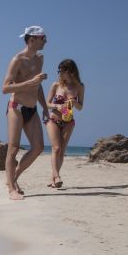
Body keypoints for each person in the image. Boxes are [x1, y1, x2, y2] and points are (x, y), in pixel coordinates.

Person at [1, 26, 49, 200]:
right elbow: (5, 88)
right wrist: (30, 82)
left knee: (38, 147)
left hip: (33, 108)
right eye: (42, 38)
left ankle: (13, 178)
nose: (46, 41)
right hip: (17, 108)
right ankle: (12, 189)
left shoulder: (40, 58)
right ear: (31, 40)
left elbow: (38, 85)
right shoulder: (17, 60)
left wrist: (44, 107)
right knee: (13, 149)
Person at [44, 59, 85, 188]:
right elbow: (46, 103)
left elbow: (80, 107)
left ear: (71, 71)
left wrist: (74, 102)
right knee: (56, 148)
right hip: (53, 119)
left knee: (61, 151)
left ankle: (53, 180)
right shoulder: (56, 85)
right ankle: (56, 176)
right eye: (59, 70)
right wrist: (57, 105)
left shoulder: (79, 86)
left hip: (68, 121)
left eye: (62, 71)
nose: (59, 73)